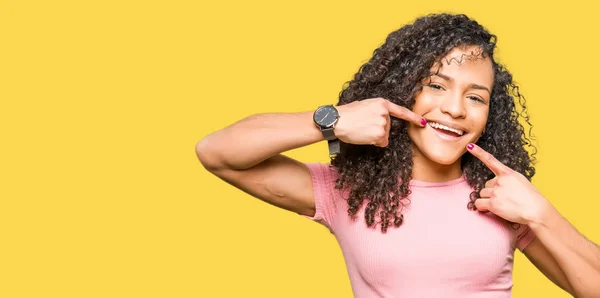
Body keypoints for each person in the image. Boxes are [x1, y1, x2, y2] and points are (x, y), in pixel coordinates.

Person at [196, 13, 600, 298]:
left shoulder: (501, 199)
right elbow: (216, 152)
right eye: (436, 87)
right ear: (402, 90)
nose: (456, 109)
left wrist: (541, 213)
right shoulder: (347, 191)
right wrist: (331, 121)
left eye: (475, 97)